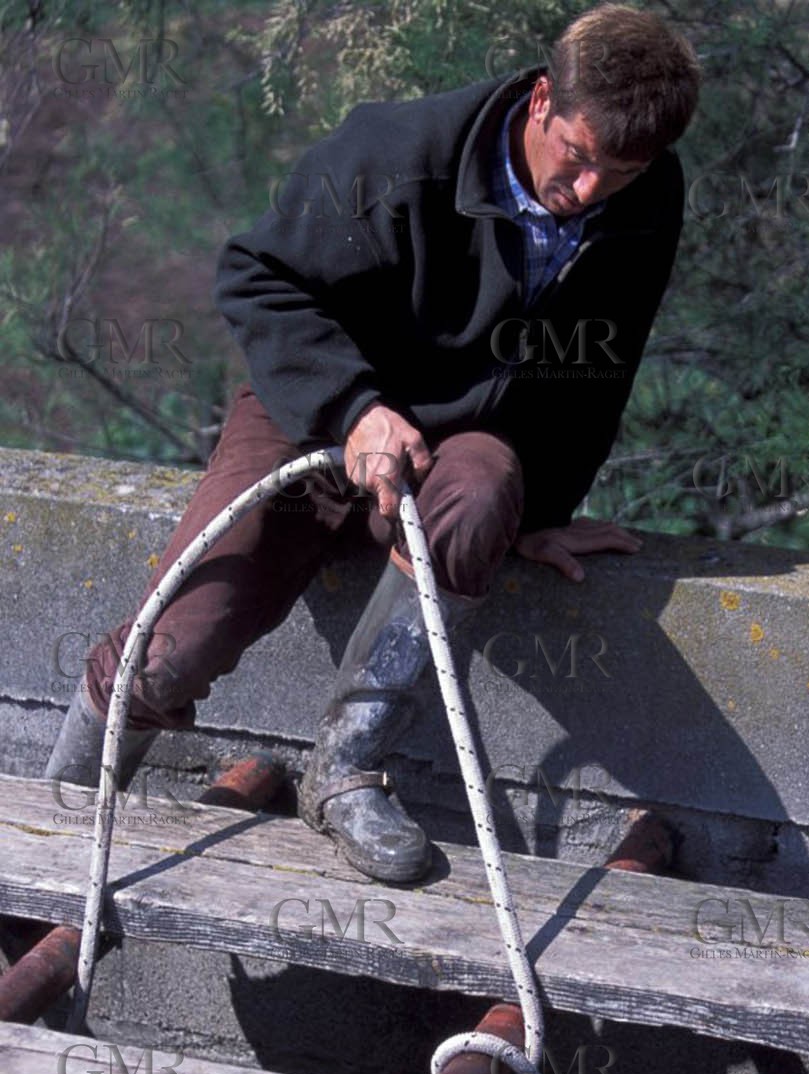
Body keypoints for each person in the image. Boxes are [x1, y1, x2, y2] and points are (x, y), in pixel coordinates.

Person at [46, 3, 701, 883]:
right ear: (541, 100)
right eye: (578, 159)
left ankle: (346, 766)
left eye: (617, 172)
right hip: (311, 409)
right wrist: (354, 408)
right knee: (174, 650)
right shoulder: (397, 154)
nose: (588, 191)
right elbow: (256, 276)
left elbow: (599, 367)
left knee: (482, 493)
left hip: (457, 441)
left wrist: (536, 512)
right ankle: (45, 838)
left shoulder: (647, 197)